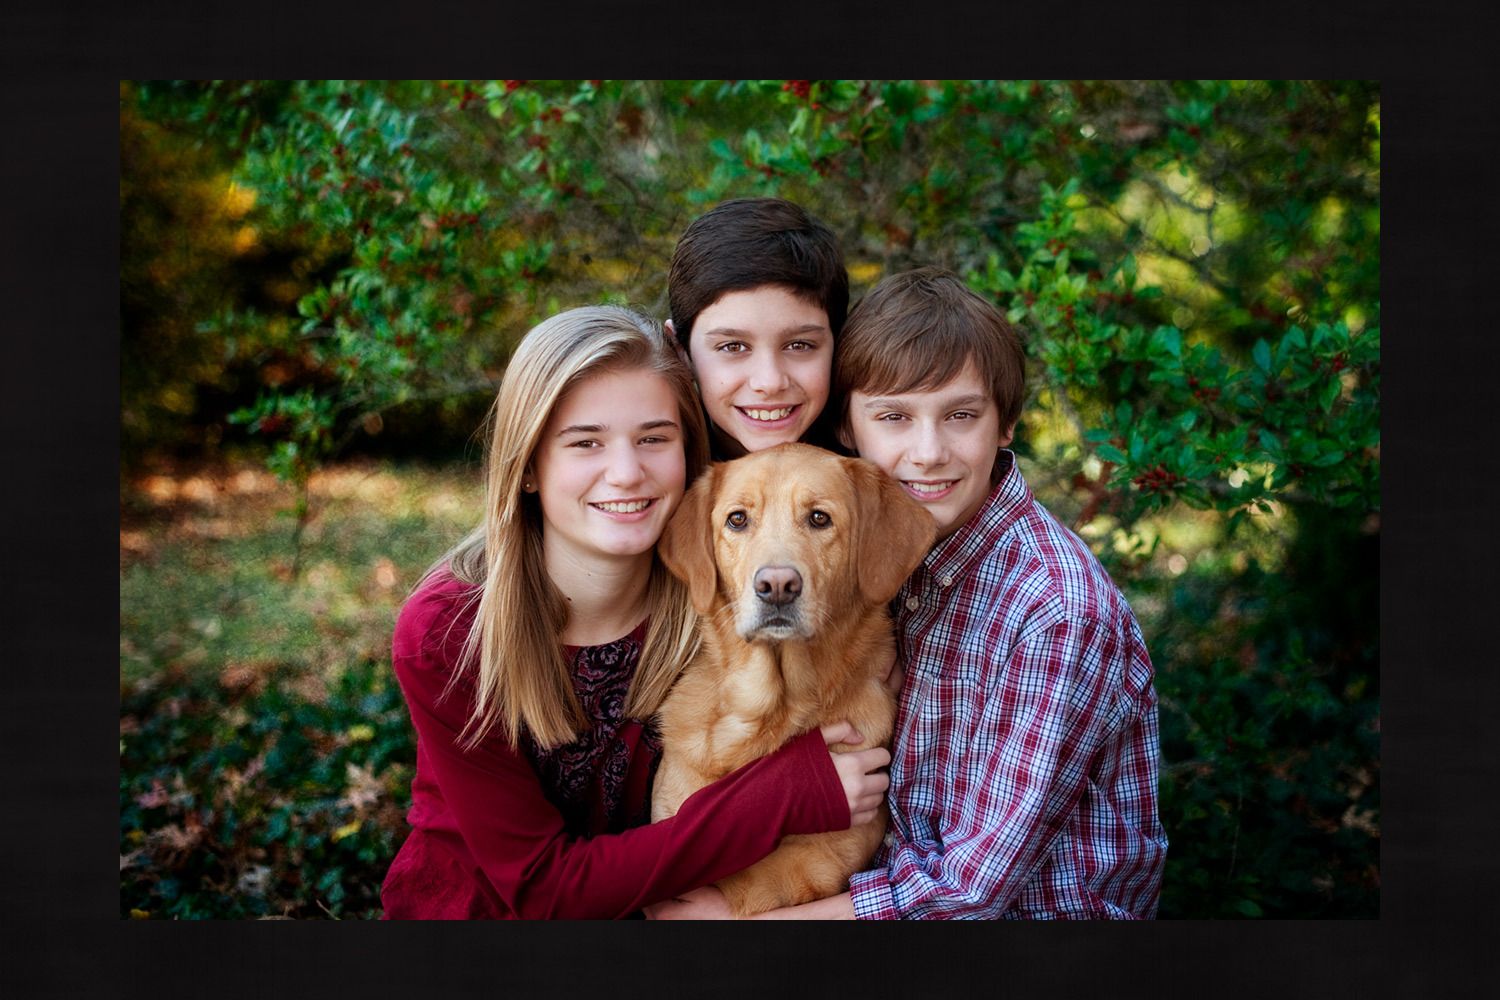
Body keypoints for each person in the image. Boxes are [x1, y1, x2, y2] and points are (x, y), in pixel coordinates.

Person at [653, 267, 1168, 919]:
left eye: (961, 416)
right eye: (894, 417)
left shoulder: (1056, 614)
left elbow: (968, 894)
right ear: (849, 429)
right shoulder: (895, 551)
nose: (927, 453)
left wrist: (735, 924)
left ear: (1005, 424)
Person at [380, 305, 890, 919]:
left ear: (686, 450)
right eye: (585, 443)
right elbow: (544, 889)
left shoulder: (707, 593)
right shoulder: (449, 630)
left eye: (653, 439)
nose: (625, 473)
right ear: (529, 467)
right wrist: (787, 794)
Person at [666, 197, 849, 459]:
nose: (770, 382)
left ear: (838, 344)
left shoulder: (886, 464)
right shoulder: (658, 483)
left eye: (800, 345)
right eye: (733, 346)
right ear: (681, 352)